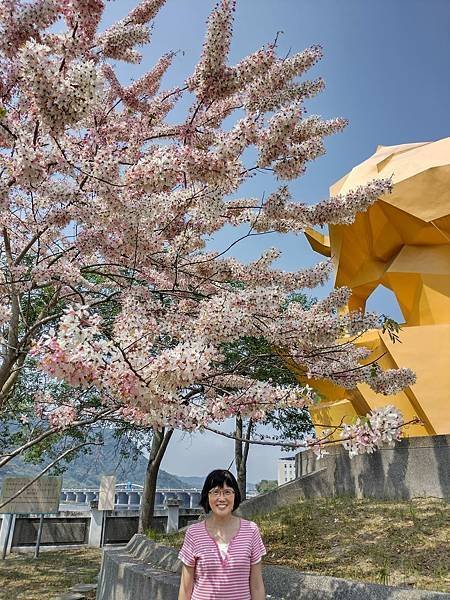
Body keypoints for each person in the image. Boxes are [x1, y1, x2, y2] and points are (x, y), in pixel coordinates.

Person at [178, 469, 266, 600]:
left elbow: (257, 585)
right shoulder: (194, 533)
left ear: (235, 495)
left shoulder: (251, 530)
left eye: (227, 492)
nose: (222, 498)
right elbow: (185, 588)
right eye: (215, 492)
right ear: (207, 497)